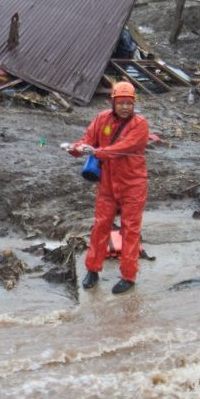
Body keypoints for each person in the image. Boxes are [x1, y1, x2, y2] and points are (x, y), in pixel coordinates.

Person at [63, 81, 150, 294]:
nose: (125, 107)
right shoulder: (102, 119)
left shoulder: (140, 124)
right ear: (113, 102)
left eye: (129, 103)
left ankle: (128, 276)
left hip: (133, 184)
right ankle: (92, 269)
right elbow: (88, 140)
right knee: (100, 226)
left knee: (131, 230)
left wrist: (99, 152)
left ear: (134, 103)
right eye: (121, 103)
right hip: (108, 184)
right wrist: (76, 149)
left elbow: (125, 147)